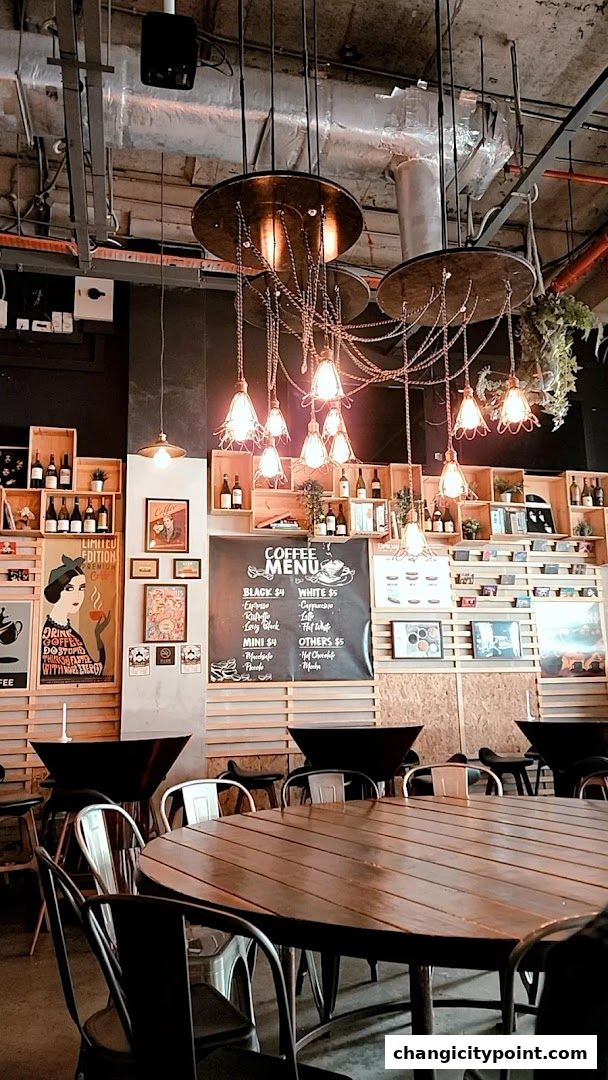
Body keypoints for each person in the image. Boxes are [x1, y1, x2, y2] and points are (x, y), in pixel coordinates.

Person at [41, 555, 111, 681]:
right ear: (56, 590)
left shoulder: (74, 636)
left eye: (82, 588)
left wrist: (98, 636)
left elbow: (95, 669)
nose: (77, 596)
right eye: (69, 589)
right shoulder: (46, 636)